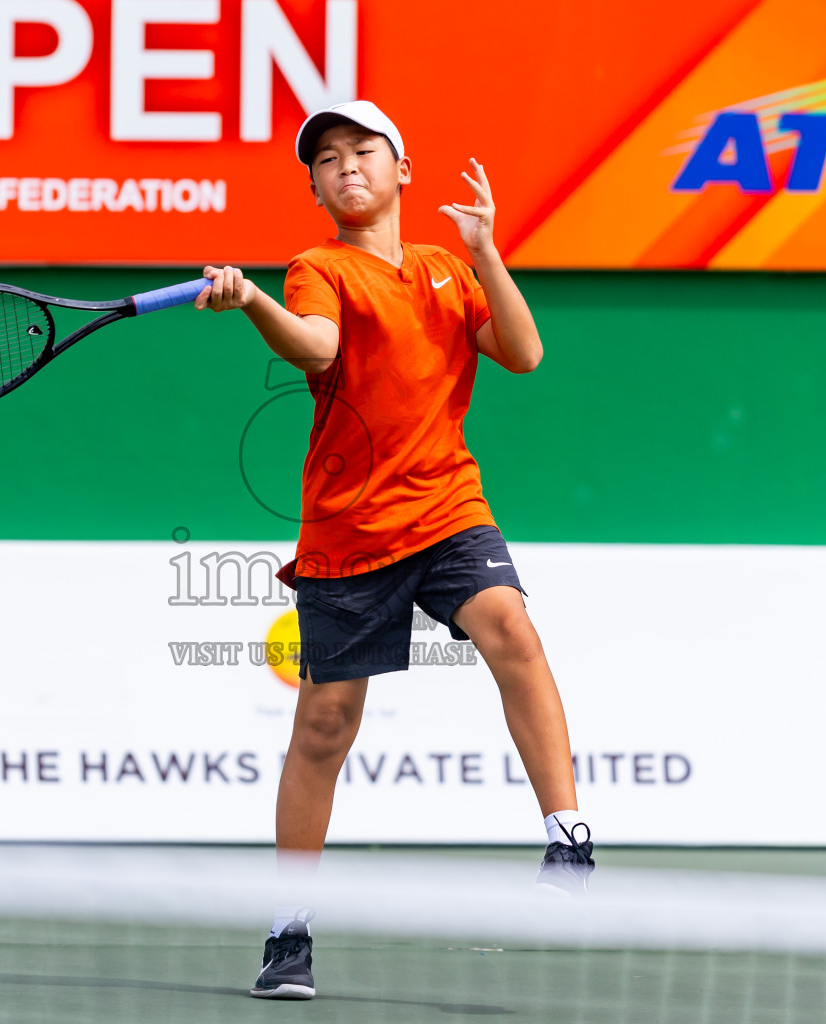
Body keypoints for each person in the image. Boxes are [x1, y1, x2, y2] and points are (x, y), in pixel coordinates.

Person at [195, 100, 594, 1001]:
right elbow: (318, 347)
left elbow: (522, 353)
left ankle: (569, 841)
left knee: (512, 631)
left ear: (401, 169)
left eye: (362, 151)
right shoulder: (315, 270)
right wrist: (255, 298)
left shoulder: (449, 271)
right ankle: (287, 932)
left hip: (449, 506)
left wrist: (488, 249)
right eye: (327, 160)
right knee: (325, 726)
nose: (347, 168)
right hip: (349, 530)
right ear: (315, 188)